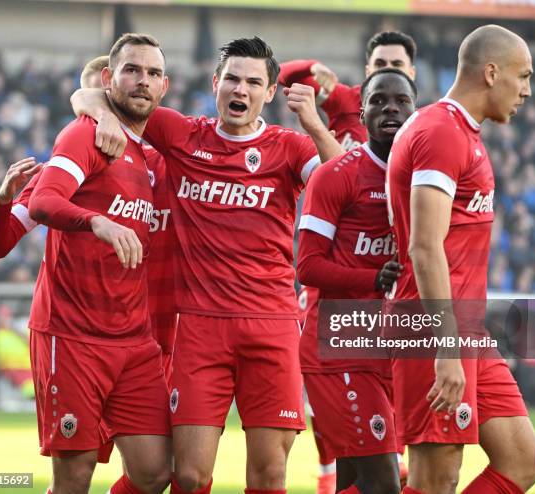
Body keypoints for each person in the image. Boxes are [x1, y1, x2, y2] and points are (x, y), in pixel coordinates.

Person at [71, 36, 342, 494]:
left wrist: (315, 124)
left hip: (271, 325)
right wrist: (100, 114)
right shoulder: (182, 134)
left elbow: (342, 184)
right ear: (216, 83)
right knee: (191, 475)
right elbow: (91, 93)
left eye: (254, 82)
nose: (241, 90)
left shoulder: (290, 147)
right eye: (232, 79)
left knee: (270, 474)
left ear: (270, 92)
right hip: (200, 328)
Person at [386, 25, 535, 494]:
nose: (528, 91)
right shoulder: (440, 133)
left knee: (522, 458)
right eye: (523, 76)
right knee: (437, 479)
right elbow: (425, 247)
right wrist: (446, 348)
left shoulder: (457, 131)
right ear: (492, 73)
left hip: (465, 326)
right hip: (430, 329)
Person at [27, 33, 171, 494]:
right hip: (72, 334)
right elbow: (44, 203)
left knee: (154, 473)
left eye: (152, 73)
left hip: (133, 341)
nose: (142, 81)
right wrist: (98, 224)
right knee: (74, 476)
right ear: (109, 78)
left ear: (163, 87)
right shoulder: (86, 134)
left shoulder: (157, 154)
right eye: (132, 70)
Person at [280, 31, 416, 492]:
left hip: (389, 345)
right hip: (336, 342)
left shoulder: (423, 178)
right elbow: (307, 266)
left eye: (402, 101)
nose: (391, 109)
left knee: (355, 479)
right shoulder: (336, 175)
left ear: (416, 109)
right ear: (362, 109)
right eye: (379, 100)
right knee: (385, 482)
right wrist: (373, 277)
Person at [279, 31, 416, 151]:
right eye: (380, 63)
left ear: (411, 73)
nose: (388, 68)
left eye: (397, 64)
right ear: (368, 71)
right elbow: (280, 74)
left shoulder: (421, 122)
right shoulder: (345, 99)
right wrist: (311, 66)